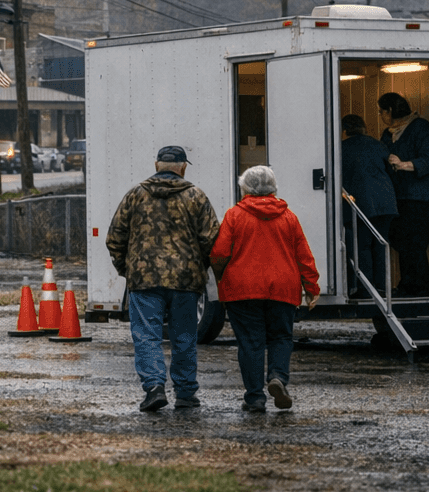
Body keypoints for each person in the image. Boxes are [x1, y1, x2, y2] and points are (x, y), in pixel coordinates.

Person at [104, 145, 220, 412]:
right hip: (185, 281)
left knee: (147, 336)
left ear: (157, 166)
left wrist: (128, 269)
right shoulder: (196, 196)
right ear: (183, 168)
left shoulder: (135, 195)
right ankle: (185, 392)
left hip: (144, 279)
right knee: (184, 336)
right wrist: (200, 267)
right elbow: (212, 239)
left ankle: (154, 388)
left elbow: (115, 237)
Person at [210, 165, 321, 413]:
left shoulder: (234, 215)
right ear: (273, 189)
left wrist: (221, 278)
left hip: (242, 289)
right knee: (281, 336)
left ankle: (254, 398)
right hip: (283, 288)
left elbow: (219, 253)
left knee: (250, 342)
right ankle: (278, 377)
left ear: (245, 189)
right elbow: (304, 256)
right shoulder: (289, 217)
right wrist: (311, 287)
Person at [378, 91, 429, 296]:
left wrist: (403, 164)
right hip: (399, 195)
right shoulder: (388, 133)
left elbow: (428, 160)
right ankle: (410, 285)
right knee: (401, 241)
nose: (381, 116)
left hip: (420, 196)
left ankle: (421, 287)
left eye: (381, 112)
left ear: (390, 111)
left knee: (414, 242)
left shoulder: (420, 127)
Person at [341, 113, 397, 297]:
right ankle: (382, 287)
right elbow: (391, 169)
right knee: (381, 244)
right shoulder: (377, 144)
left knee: (362, 245)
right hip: (386, 201)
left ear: (344, 130)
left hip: (361, 202)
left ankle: (366, 289)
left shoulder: (341, 148)